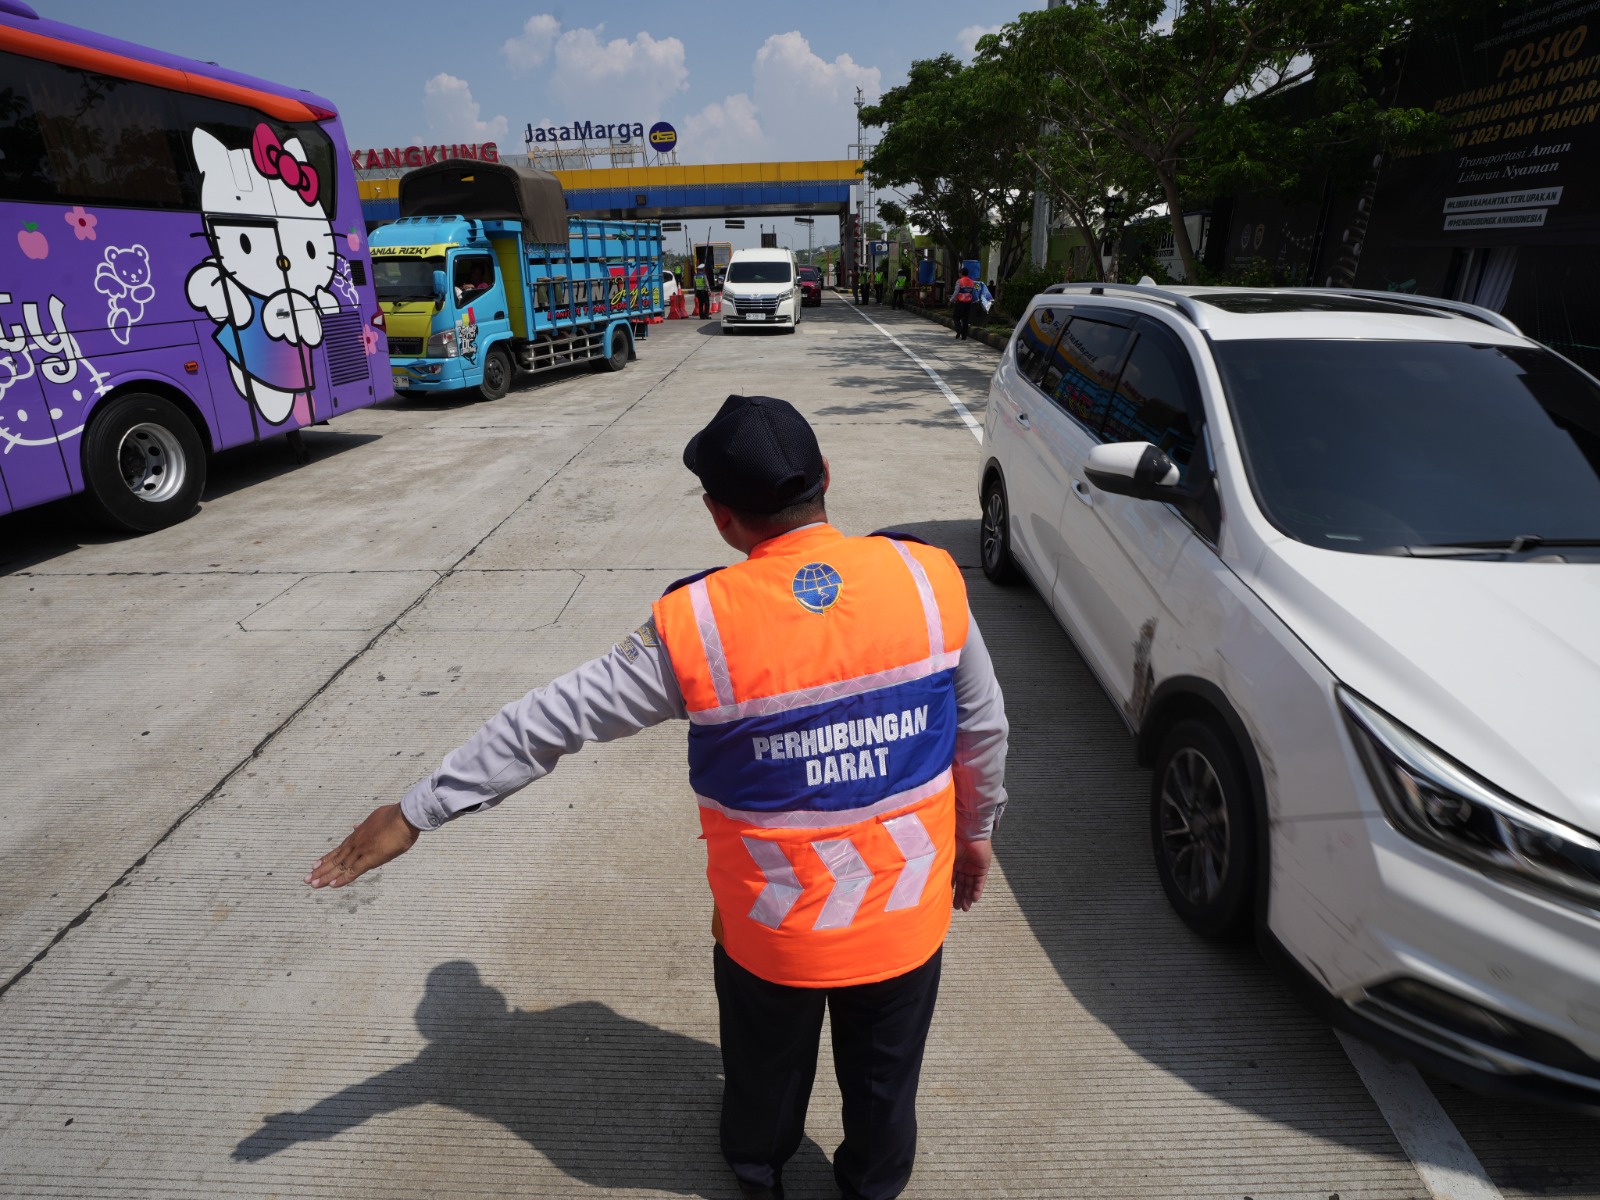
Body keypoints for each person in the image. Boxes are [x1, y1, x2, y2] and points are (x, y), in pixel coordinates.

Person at [306, 394, 1010, 1200]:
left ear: (721, 518)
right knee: (886, 1082)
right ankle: (873, 1184)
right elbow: (984, 726)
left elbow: (552, 718)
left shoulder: (701, 624)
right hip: (904, 910)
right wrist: (976, 830)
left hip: (774, 931)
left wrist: (415, 810)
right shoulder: (927, 578)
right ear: (826, 478)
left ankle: (757, 1166)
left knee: (762, 1068)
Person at [951, 269, 977, 340]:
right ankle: (964, 336)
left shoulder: (960, 281)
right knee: (965, 319)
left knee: (956, 317)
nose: (959, 274)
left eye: (959, 272)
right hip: (968, 303)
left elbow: (956, 292)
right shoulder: (972, 282)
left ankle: (959, 330)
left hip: (960, 302)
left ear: (961, 273)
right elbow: (973, 292)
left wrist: (951, 300)